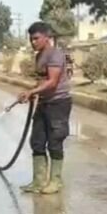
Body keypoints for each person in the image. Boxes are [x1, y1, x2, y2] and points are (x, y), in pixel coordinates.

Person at [17, 22, 72, 194]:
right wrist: (32, 93)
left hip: (58, 103)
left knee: (55, 141)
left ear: (47, 37)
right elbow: (42, 81)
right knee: (37, 141)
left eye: (36, 38)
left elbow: (53, 82)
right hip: (44, 103)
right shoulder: (39, 56)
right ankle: (39, 181)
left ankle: (56, 181)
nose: (33, 42)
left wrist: (32, 91)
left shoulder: (55, 55)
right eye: (31, 39)